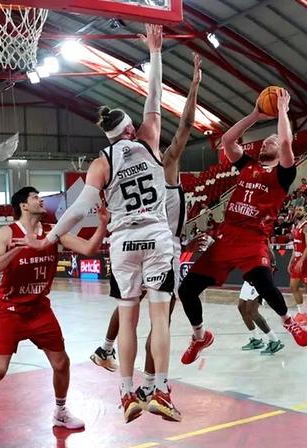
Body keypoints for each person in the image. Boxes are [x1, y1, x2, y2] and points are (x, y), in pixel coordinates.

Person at [30, 25, 179, 424]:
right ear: (130, 129)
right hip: (156, 237)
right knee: (159, 317)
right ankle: (161, 389)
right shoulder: (148, 138)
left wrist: (52, 236)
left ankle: (126, 392)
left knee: (127, 320)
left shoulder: (101, 162)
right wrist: (155, 53)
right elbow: (154, 98)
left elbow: (78, 209)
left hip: (124, 243)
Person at [0, 187, 109, 448]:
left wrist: (103, 224)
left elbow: (89, 249)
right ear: (23, 206)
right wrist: (16, 250)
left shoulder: (53, 230)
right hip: (11, 312)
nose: (41, 200)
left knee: (62, 364)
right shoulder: (7, 232)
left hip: (40, 309)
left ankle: (60, 412)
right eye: (36, 197)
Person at [89, 54, 202, 410]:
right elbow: (183, 126)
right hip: (159, 245)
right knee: (160, 317)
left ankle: (110, 354)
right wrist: (195, 86)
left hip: (133, 241)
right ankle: (154, 387)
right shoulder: (165, 163)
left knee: (129, 304)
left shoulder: (124, 163)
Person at [177, 88, 307, 368]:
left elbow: (286, 142)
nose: (265, 143)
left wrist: (283, 111)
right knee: (187, 290)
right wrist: (255, 114)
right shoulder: (248, 166)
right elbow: (227, 140)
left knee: (265, 283)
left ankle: (289, 324)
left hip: (253, 240)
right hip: (226, 238)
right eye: (264, 141)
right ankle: (200, 336)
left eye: (270, 141)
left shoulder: (284, 173)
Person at [238, 244, 283, 355]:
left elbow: (270, 252)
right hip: (249, 276)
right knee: (241, 307)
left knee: (252, 311)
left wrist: (269, 272)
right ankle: (256, 339)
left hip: (260, 275)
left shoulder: (258, 237)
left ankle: (274, 340)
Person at [289, 206, 307, 325]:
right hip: (297, 259)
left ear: (306, 213)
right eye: (297, 210)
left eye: (300, 210)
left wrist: (301, 260)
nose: (298, 211)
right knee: (293, 286)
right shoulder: (296, 226)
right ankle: (301, 313)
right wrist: (291, 261)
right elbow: (295, 245)